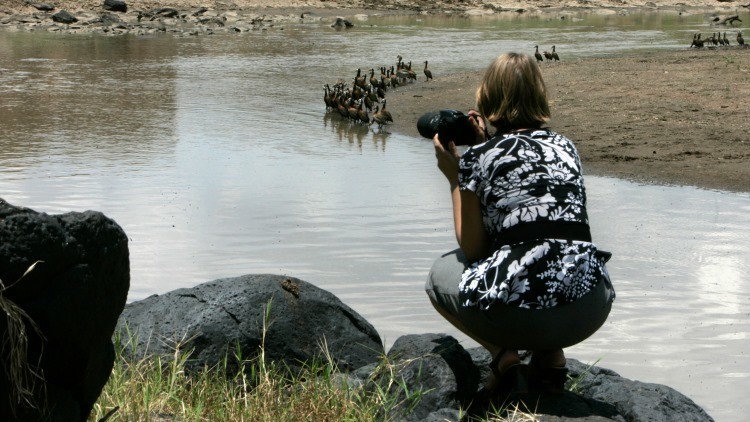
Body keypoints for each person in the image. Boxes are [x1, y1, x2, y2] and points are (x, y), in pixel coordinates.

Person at [426, 52, 615, 396]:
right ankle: (551, 356)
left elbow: (475, 248)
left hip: (521, 315)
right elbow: (533, 207)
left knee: (439, 275)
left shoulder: (478, 159)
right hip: (589, 309)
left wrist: (455, 178)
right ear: (540, 95)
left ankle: (504, 357)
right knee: (546, 246)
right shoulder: (566, 147)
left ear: (487, 98)